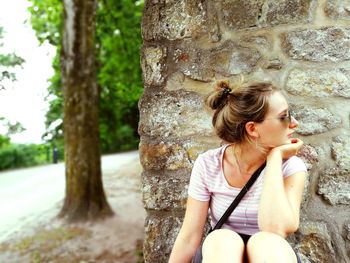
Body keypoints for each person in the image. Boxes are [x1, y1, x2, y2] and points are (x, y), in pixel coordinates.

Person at [168, 80, 307, 263]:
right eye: (284, 117)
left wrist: (274, 159)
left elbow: (275, 229)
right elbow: (189, 238)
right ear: (252, 128)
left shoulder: (291, 167)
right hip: (222, 254)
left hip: (271, 255)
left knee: (265, 242)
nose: (294, 123)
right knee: (223, 238)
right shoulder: (209, 164)